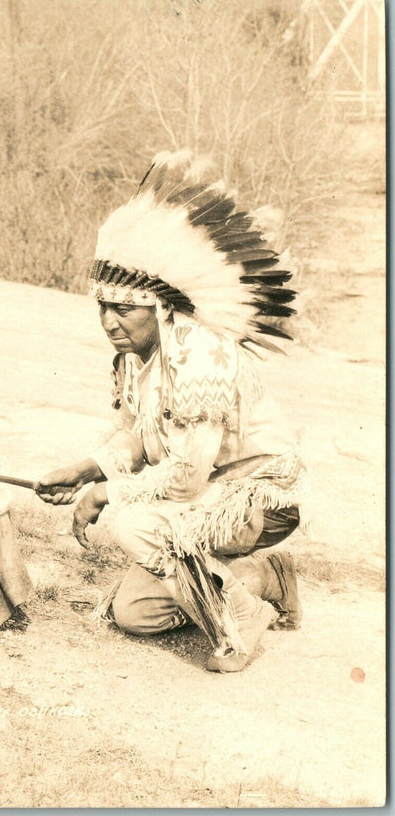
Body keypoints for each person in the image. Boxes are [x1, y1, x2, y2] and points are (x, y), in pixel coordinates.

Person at [36, 151, 309, 672]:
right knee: (134, 612)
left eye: (124, 308)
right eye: (103, 307)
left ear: (159, 308)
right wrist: (87, 468)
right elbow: (138, 433)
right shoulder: (136, 359)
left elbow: (185, 477)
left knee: (135, 525)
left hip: (256, 498)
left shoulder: (199, 354)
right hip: (209, 494)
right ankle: (264, 578)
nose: (110, 322)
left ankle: (240, 617)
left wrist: (105, 494)